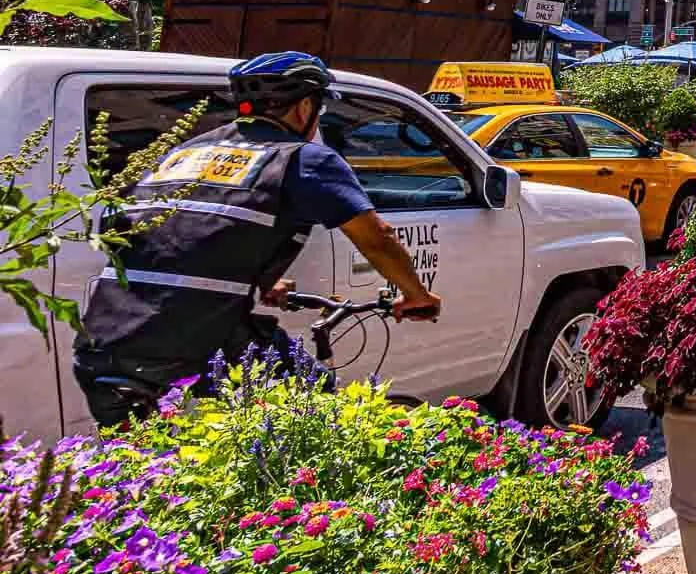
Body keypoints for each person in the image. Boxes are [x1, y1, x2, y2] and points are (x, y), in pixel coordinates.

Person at [73, 52, 443, 427]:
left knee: (144, 470)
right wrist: (416, 294)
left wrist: (258, 279)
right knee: (316, 415)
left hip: (102, 344)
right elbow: (377, 237)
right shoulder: (301, 159)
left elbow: (176, 235)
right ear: (304, 107)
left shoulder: (185, 153)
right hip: (188, 343)